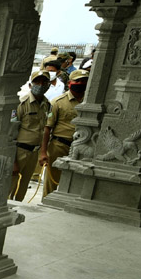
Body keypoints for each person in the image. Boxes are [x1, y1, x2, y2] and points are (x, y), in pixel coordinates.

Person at [39, 68, 88, 196]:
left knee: (75, 180)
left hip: (82, 147)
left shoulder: (90, 102)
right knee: (53, 179)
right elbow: (47, 128)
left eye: (84, 81)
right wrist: (43, 152)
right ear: (70, 83)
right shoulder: (57, 103)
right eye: (77, 81)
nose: (81, 83)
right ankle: (47, 202)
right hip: (59, 146)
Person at [10, 71, 52, 201]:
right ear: (30, 85)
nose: (40, 85)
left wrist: (43, 152)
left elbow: (46, 128)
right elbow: (10, 133)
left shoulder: (47, 104)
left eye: (44, 82)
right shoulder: (21, 104)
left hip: (34, 152)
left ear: (49, 85)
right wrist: (13, 161)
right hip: (19, 151)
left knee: (23, 187)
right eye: (37, 82)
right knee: (11, 186)